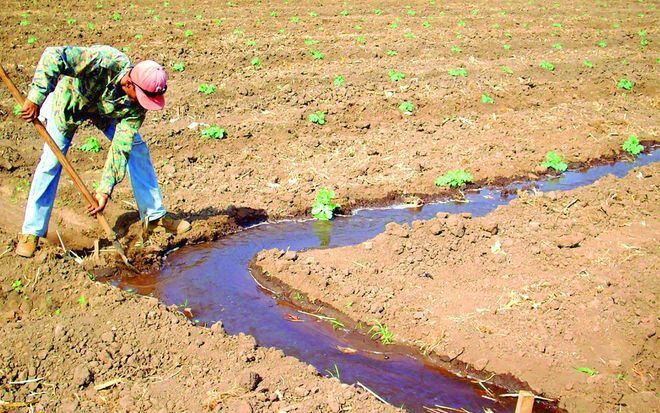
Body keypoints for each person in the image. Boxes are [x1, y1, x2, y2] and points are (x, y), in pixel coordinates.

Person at [15, 45, 190, 258]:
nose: (143, 105)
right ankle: (32, 231)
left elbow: (120, 146)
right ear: (129, 83)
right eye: (141, 98)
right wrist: (35, 97)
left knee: (136, 149)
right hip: (69, 104)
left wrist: (105, 189)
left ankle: (154, 217)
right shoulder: (104, 61)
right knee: (51, 162)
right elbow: (53, 56)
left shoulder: (137, 107)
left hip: (105, 113)